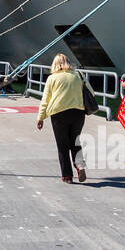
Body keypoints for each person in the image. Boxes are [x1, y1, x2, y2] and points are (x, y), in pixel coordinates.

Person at [35, 53, 87, 183]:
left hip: (59, 114)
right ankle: (80, 165)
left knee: (62, 146)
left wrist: (40, 117)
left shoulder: (52, 78)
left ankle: (67, 176)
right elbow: (90, 92)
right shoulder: (78, 75)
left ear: (54, 64)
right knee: (75, 142)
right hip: (78, 113)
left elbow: (45, 100)